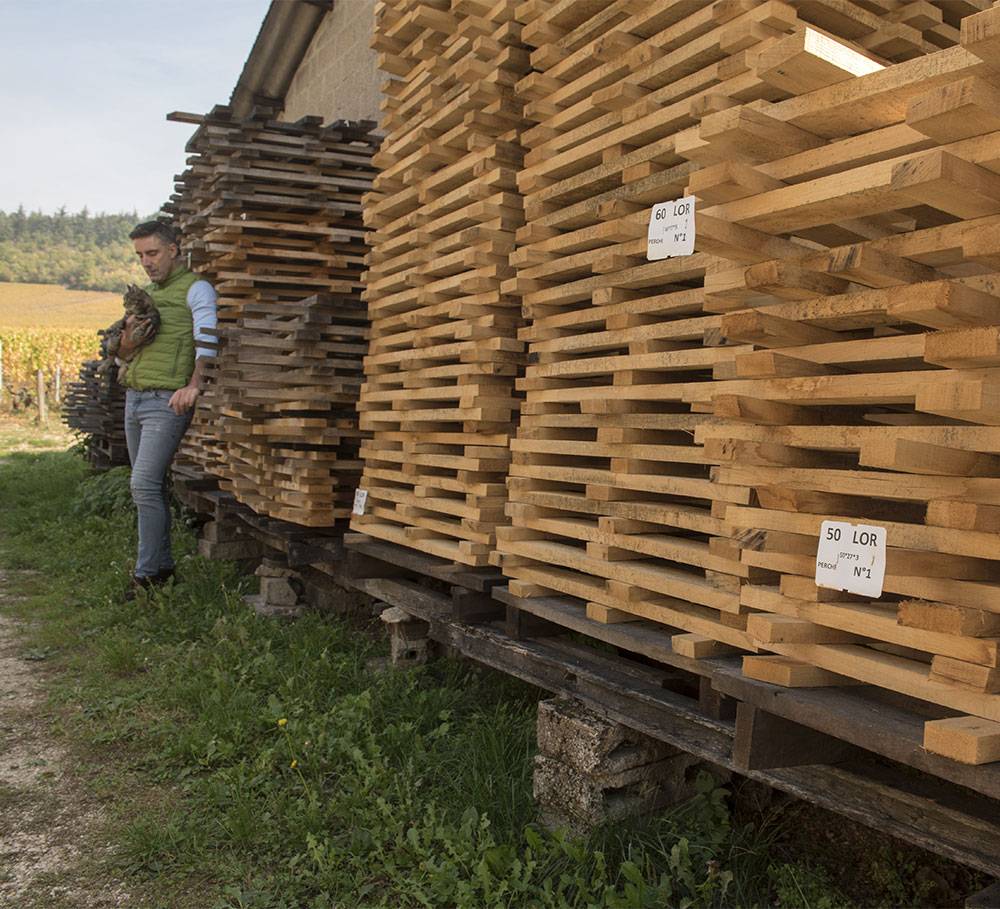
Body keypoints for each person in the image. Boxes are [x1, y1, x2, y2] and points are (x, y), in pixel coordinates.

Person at [116, 220, 217, 597]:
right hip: (135, 398)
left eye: (152, 253)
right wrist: (126, 338)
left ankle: (145, 577)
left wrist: (194, 386)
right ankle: (163, 570)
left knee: (142, 484)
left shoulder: (197, 288)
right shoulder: (144, 297)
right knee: (149, 488)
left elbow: (207, 338)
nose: (146, 262)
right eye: (140, 255)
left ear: (174, 249)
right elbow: (124, 353)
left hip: (165, 402)